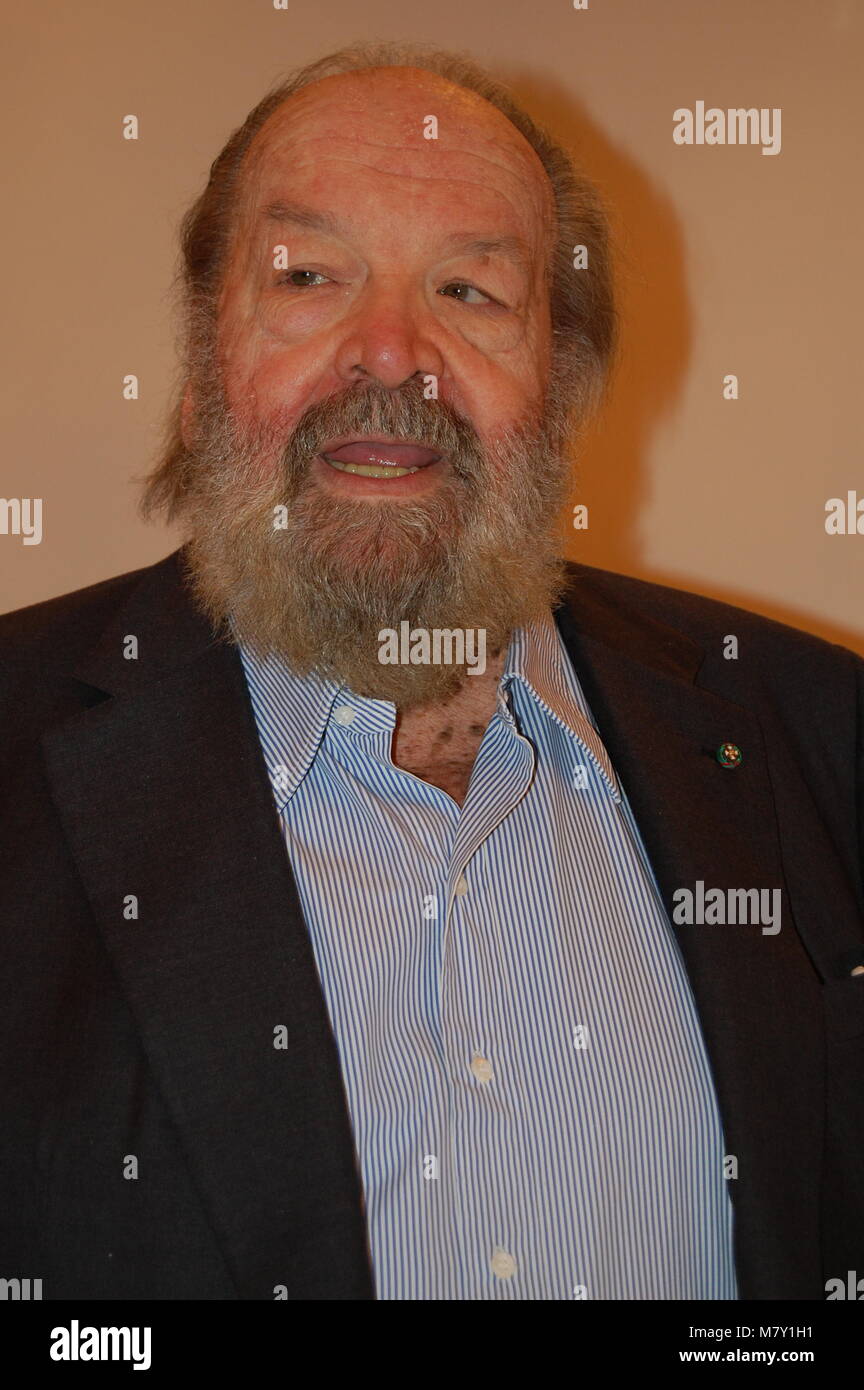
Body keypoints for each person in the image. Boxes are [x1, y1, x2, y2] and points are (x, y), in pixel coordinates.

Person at [1, 41, 862, 1302]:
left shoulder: (822, 731)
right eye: (307, 275)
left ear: (560, 391)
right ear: (199, 372)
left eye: (470, 291)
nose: (391, 352)